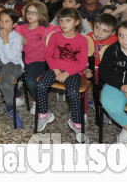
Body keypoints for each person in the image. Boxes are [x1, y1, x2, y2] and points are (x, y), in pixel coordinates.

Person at [35, 8, 90, 142]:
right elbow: (48, 56)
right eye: (61, 20)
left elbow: (83, 63)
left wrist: (67, 73)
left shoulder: (82, 40)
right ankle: (44, 115)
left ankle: (76, 122)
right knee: (41, 85)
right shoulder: (55, 36)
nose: (63, 23)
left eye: (68, 20)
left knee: (72, 93)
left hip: (73, 71)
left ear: (77, 22)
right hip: (55, 70)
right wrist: (56, 70)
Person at [15, 0, 60, 113]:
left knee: (31, 81)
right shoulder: (21, 27)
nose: (30, 15)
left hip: (39, 61)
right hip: (21, 59)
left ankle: (37, 101)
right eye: (28, 12)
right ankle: (18, 96)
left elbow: (62, 30)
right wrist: (20, 36)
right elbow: (13, 30)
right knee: (8, 75)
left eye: (34, 13)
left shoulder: (45, 28)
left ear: (41, 15)